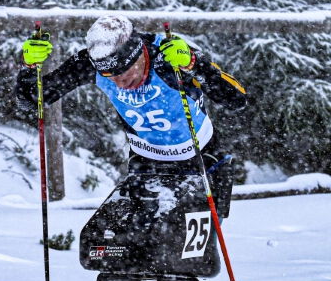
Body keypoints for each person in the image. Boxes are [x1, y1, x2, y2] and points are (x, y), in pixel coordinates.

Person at [16, 14, 247, 215]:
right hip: (146, 162)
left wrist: (194, 65)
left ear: (139, 54)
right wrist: (29, 67)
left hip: (201, 158)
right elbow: (31, 101)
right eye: (110, 76)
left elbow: (236, 98)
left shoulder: (167, 56)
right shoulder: (89, 63)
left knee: (193, 255)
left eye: (124, 73)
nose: (120, 82)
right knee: (135, 247)